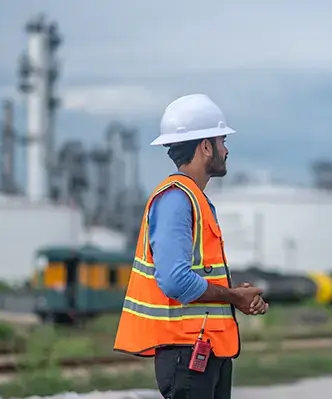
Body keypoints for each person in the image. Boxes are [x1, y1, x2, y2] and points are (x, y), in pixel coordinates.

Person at [113, 93, 269, 399]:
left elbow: (197, 276)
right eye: (222, 141)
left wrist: (236, 296)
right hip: (187, 356)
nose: (227, 150)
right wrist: (232, 296)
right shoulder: (176, 200)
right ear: (206, 146)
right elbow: (174, 280)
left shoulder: (194, 199)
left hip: (206, 352)